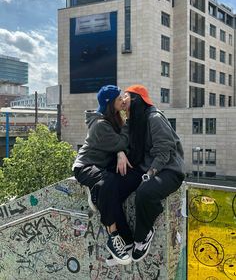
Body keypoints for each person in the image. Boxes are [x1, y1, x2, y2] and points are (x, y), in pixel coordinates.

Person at [72, 85, 142, 265]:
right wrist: (128, 121)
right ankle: (114, 237)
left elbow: (119, 145)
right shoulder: (100, 124)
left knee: (133, 178)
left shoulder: (112, 120)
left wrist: (119, 151)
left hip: (103, 168)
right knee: (108, 182)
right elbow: (122, 142)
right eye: (119, 99)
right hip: (86, 167)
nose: (122, 101)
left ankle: (99, 197)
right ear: (110, 103)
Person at [123, 84, 185, 262]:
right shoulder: (134, 120)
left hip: (169, 170)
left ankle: (143, 236)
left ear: (135, 99)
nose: (123, 100)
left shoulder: (154, 118)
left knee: (145, 192)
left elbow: (164, 151)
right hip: (147, 167)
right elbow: (120, 140)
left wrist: (149, 174)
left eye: (125, 96)